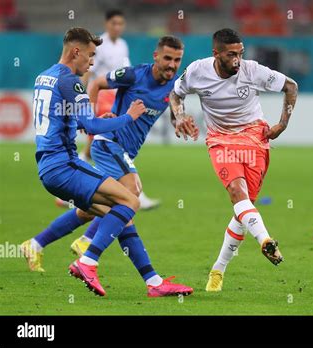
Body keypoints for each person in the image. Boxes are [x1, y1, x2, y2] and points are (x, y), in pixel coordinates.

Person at [20, 28, 193, 298]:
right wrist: (128, 117)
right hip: (64, 164)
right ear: (75, 51)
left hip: (50, 164)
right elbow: (89, 124)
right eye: (90, 55)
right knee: (130, 201)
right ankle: (87, 259)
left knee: (119, 215)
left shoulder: (45, 76)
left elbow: (74, 118)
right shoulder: (71, 82)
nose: (92, 62)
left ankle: (153, 282)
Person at [169, 28, 298, 292]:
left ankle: (218, 269)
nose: (237, 59)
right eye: (231, 54)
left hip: (255, 139)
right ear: (216, 54)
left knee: (243, 209)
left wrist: (282, 124)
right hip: (220, 140)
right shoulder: (197, 71)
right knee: (238, 194)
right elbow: (175, 93)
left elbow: (291, 86)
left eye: (240, 53)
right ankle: (265, 241)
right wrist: (179, 115)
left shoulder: (252, 71)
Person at [55, 9, 160, 210]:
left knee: (109, 142)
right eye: (114, 23)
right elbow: (89, 72)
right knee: (104, 138)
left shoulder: (122, 45)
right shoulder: (97, 45)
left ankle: (83, 181)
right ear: (107, 24)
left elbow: (127, 74)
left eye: (121, 24)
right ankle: (132, 189)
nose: (118, 27)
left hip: (116, 96)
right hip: (101, 93)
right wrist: (84, 99)